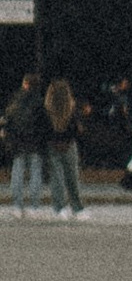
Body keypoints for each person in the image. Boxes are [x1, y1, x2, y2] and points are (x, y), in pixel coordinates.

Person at [41, 77, 86, 218]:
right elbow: (77, 129)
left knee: (57, 179)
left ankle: (59, 208)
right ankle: (77, 208)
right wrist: (67, 141)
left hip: (52, 145)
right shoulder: (72, 108)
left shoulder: (46, 109)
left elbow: (43, 130)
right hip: (69, 145)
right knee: (72, 178)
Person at [6, 70, 43, 217]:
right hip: (35, 142)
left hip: (19, 142)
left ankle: (17, 207)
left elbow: (10, 118)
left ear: (25, 84)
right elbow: (43, 123)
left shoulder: (17, 99)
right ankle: (34, 207)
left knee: (17, 175)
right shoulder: (39, 101)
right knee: (35, 175)